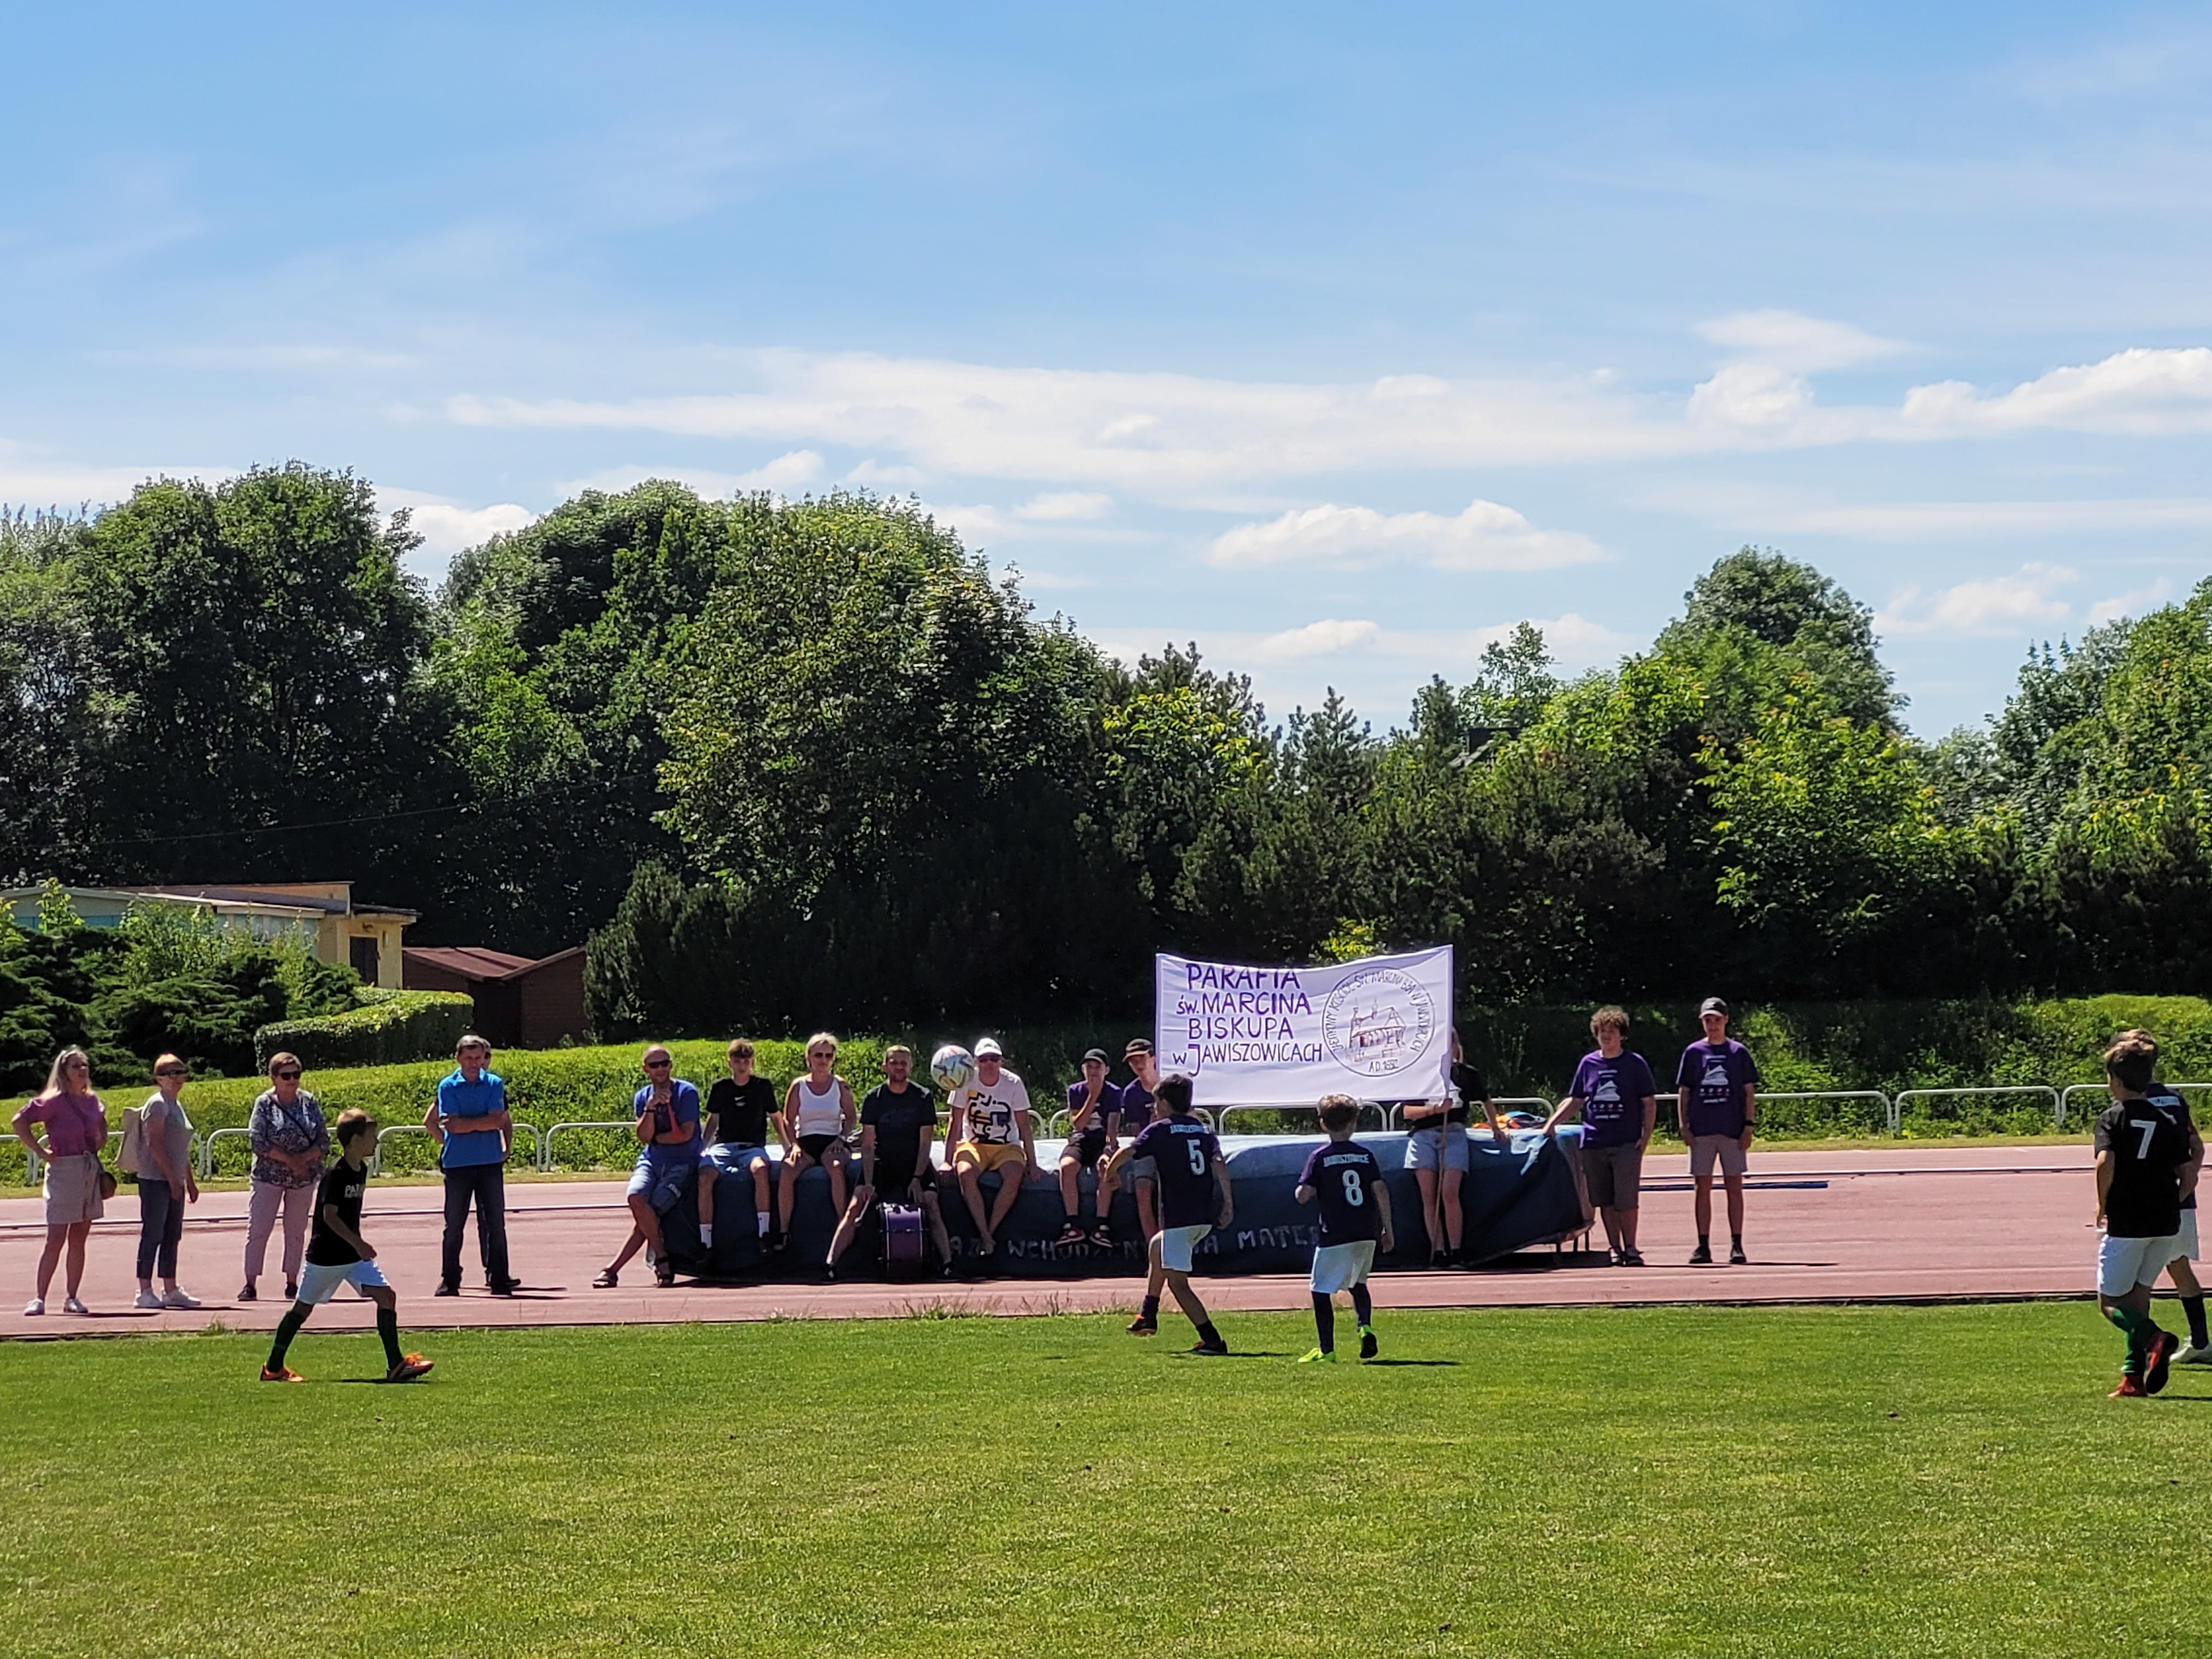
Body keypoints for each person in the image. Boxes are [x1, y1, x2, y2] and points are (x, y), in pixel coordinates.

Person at [260, 1109, 433, 1385]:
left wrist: (357, 1246)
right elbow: (330, 1216)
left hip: (353, 1257)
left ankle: (396, 1366)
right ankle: (273, 1367)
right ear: (355, 1140)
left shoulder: (361, 1169)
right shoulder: (336, 1174)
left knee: (386, 1297)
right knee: (302, 1309)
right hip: (327, 1257)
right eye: (372, 1136)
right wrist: (359, 1242)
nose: (376, 1141)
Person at [2093, 1030, 2200, 1397]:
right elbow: (2188, 1169)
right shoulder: (2168, 1119)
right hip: (2166, 1222)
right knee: (2139, 1297)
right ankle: (2133, 1377)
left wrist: (2102, 1203)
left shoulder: (2112, 1118)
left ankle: (2155, 1338)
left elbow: (2106, 1162)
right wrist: (2176, 1199)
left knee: (2110, 1303)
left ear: (2116, 1081)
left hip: (2129, 1222)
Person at [1107, 1072, 1232, 1354]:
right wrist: (1228, 1204)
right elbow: (1219, 1163)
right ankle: (1148, 1314)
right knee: (1157, 1246)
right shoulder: (1203, 1130)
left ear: (1164, 1102)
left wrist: (1109, 1174)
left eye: (1155, 1102)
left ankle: (1212, 1340)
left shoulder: (1161, 1129)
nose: (1154, 1108)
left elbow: (1128, 1152)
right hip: (1203, 1214)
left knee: (1178, 1284)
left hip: (1180, 1216)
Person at [1544, 1007, 1659, 1267]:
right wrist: (1552, 1123)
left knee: (1626, 1200)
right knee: (1605, 1200)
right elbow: (1576, 1100)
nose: (1607, 1036)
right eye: (1602, 1031)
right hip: (1594, 1142)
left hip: (1626, 1142)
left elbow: (1649, 1102)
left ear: (1622, 1035)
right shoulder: (1588, 1064)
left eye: (1612, 1031)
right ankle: (1615, 1247)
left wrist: (1646, 1136)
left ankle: (1631, 1248)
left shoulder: (1635, 1063)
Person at [828, 1044, 953, 1278]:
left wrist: (917, 1178)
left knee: (931, 1204)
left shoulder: (923, 1097)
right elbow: (868, 1145)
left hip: (914, 1163)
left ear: (911, 1067)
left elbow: (925, 1144)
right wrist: (868, 1182)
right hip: (882, 1164)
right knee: (855, 1206)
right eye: (894, 1063)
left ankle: (947, 1263)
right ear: (885, 1067)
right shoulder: (873, 1098)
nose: (899, 1067)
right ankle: (831, 1264)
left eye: (903, 1063)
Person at [594, 1044, 703, 1289]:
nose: (661, 1069)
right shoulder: (643, 1097)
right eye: (655, 1065)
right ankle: (662, 1259)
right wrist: (651, 1108)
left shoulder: (686, 1092)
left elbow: (685, 1135)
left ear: (671, 1065)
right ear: (646, 1069)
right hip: (651, 1162)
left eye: (665, 1063)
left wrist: (655, 1138)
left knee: (651, 1212)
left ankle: (613, 1269)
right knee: (635, 1197)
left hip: (682, 1164)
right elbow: (643, 1136)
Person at [1295, 1093, 1393, 1362]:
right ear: (1353, 1123)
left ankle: (1326, 1350)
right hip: (1366, 1231)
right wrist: (1387, 1229)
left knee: (1320, 1290)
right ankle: (1365, 1327)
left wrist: (1303, 1190)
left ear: (1323, 1124)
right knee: (1358, 1283)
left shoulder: (1320, 1157)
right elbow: (1380, 1189)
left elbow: (1303, 1195)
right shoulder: (1365, 1156)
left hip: (1335, 1233)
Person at [13, 1047, 108, 1316]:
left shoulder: (91, 1100)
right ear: (64, 1071)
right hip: (64, 1168)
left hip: (88, 1166)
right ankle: (39, 1297)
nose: (82, 1070)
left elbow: (100, 1125)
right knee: (55, 1237)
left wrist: (101, 1138)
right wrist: (41, 1152)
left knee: (79, 1237)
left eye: (84, 1065)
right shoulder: (53, 1101)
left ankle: (72, 1297)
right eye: (76, 1066)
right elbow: (20, 1122)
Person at [1402, 1028, 1505, 1266]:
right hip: (1424, 1135)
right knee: (1429, 1196)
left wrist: (1496, 1127)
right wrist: (1435, 1110)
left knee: (1449, 1192)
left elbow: (1486, 1100)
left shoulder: (1467, 1074)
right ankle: (1438, 1251)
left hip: (1454, 1133)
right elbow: (1407, 1111)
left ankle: (1456, 1249)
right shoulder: (1420, 1073)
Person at [1675, 997, 1760, 1266]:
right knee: (1702, 1187)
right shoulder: (1693, 1052)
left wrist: (1748, 1126)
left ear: (1726, 1021)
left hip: (1732, 1129)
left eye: (1717, 1020)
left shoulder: (1738, 1052)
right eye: (1708, 1021)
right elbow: (1685, 1091)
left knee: (1734, 1187)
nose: (1713, 1025)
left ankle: (1737, 1244)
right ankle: (1703, 1245)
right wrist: (1684, 1125)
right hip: (1702, 1129)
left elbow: (1749, 1092)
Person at [429, 1034, 516, 1297]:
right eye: (469, 1058)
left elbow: (498, 1120)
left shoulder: (494, 1083)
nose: (474, 1063)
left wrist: (466, 1124)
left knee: (495, 1223)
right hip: (458, 1164)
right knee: (454, 1224)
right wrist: (480, 1123)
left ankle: (499, 1278)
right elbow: (452, 1126)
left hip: (489, 1162)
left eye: (478, 1058)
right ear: (458, 1058)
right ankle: (450, 1279)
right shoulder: (447, 1086)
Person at [241, 1051, 329, 1302]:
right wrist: (291, 1160)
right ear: (273, 1077)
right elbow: (258, 1141)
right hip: (268, 1177)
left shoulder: (309, 1102)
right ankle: (250, 1283)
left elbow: (323, 1140)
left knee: (296, 1231)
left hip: (303, 1179)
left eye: (296, 1074)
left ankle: (292, 1281)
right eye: (286, 1075)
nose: (292, 1080)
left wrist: (303, 1161)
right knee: (259, 1229)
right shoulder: (264, 1104)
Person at [947, 1037, 1036, 1261]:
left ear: (1001, 1061)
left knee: (1014, 1175)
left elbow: (1024, 1126)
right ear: (976, 1062)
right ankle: (984, 1233)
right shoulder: (965, 1080)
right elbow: (954, 1123)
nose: (989, 1063)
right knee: (965, 1172)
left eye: (994, 1059)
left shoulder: (1013, 1083)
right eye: (984, 1059)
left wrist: (1033, 1163)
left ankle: (990, 1232)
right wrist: (947, 1161)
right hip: (974, 1144)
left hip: (1007, 1146)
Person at [132, 1053, 201, 1310]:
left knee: (173, 1234)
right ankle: (144, 1290)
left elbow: (180, 1147)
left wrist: (188, 1181)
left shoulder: (176, 1104)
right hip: (155, 1179)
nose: (179, 1077)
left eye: (181, 1071)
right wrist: (171, 1178)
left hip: (175, 1179)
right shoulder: (157, 1104)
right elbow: (155, 1144)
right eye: (172, 1073)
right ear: (159, 1078)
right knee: (153, 1233)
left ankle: (170, 1289)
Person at [777, 1034, 857, 1243]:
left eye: (828, 1056)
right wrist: (794, 1145)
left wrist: (842, 1138)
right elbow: (788, 1120)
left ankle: (843, 1226)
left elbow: (851, 1118)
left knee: (836, 1168)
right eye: (819, 1055)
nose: (823, 1060)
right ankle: (784, 1231)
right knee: (787, 1169)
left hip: (833, 1141)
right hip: (805, 1142)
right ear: (809, 1058)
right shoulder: (798, 1086)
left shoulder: (840, 1085)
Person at [703, 1038, 782, 1248]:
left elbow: (776, 1117)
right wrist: (701, 1148)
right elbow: (713, 1119)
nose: (742, 1066)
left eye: (746, 1061)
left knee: (761, 1169)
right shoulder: (720, 1087)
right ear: (730, 1063)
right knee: (705, 1175)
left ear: (752, 1062)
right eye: (738, 1061)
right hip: (724, 1146)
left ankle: (764, 1233)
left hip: (752, 1147)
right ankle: (706, 1241)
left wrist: (788, 1147)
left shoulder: (762, 1086)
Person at [1056, 1048, 1122, 1248]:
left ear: (1106, 1070)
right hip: (1082, 1139)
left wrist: (1109, 1148)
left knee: (1106, 1169)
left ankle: (1101, 1226)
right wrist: (1092, 1096)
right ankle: (1072, 1224)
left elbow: (1112, 1127)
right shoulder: (1076, 1091)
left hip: (1102, 1141)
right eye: (1089, 1067)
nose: (1093, 1072)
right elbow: (1078, 1125)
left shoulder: (1114, 1092)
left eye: (1097, 1067)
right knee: (1067, 1167)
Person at [1104, 1037, 1160, 1242]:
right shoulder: (1131, 1093)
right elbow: (1138, 1134)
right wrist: (1153, 1126)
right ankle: (1154, 1248)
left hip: (1173, 1146)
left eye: (1141, 1059)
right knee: (1142, 1189)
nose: (1138, 1064)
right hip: (1148, 1147)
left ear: (1153, 1058)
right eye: (1132, 1061)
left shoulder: (1170, 1084)